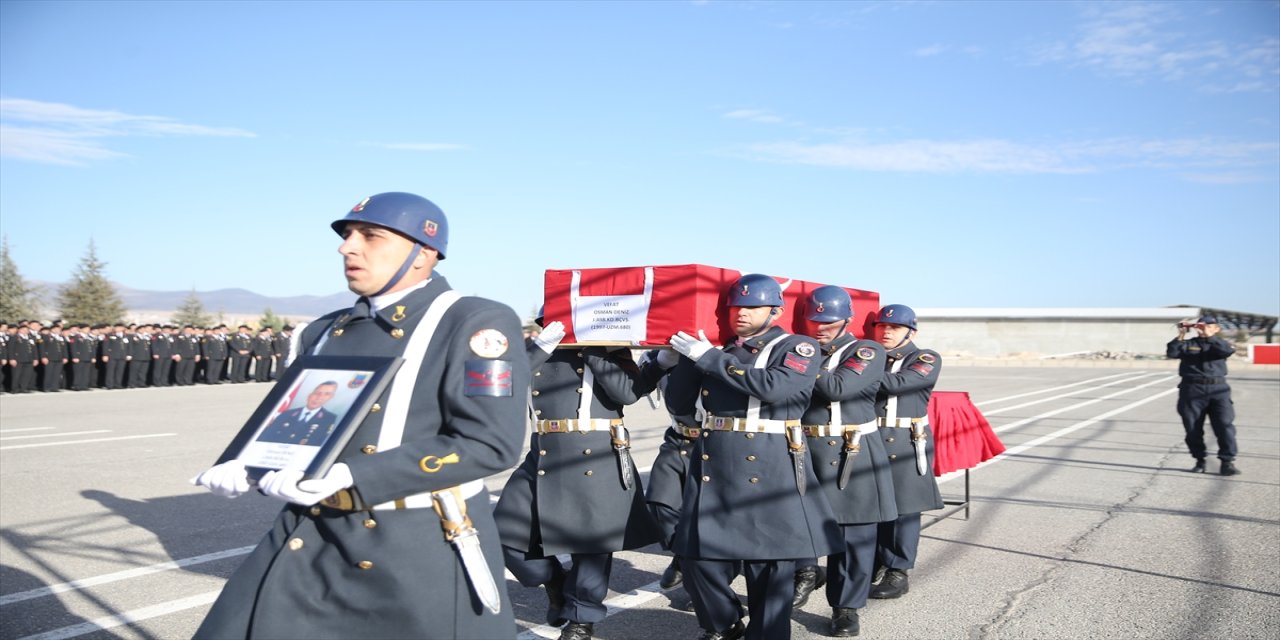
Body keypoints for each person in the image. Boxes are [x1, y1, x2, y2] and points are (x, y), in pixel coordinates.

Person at [190, 191, 530, 639]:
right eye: (348, 235)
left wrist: (354, 474)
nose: (347, 247)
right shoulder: (323, 330)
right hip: (309, 531)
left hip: (411, 544)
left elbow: (488, 445)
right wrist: (251, 462)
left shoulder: (472, 321)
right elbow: (297, 421)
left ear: (423, 254)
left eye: (370, 236)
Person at [663, 273, 841, 640]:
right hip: (715, 462)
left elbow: (773, 387)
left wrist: (708, 358)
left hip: (769, 462)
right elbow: (680, 404)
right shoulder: (719, 351)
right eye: (735, 307)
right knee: (697, 560)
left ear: (775, 311)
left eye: (752, 307)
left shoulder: (798, 346)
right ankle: (725, 624)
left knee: (769, 567)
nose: (740, 313)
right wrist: (680, 361)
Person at [494, 309, 662, 640]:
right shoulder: (533, 350)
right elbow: (500, 384)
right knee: (502, 532)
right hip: (543, 452)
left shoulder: (608, 350)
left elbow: (627, 393)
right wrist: (540, 348)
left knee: (591, 546)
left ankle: (581, 619)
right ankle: (554, 579)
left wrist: (593, 348)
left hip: (594, 453)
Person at [789, 286, 896, 636]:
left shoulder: (867, 350)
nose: (820, 327)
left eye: (829, 322)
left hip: (850, 449)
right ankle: (805, 572)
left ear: (847, 320)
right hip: (805, 446)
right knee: (798, 522)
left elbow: (837, 387)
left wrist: (801, 360)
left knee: (853, 534)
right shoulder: (799, 348)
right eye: (814, 320)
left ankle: (846, 607)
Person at [869, 304, 944, 600]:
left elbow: (901, 383)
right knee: (873, 504)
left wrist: (857, 374)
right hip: (872, 437)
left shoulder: (925, 358)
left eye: (895, 328)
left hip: (906, 439)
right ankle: (875, 561)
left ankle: (898, 570)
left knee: (905, 509)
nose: (886, 332)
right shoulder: (872, 358)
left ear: (910, 332)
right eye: (882, 326)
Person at [1167, 316, 1240, 476]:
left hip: (1218, 389)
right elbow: (1172, 352)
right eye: (1202, 325)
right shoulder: (1188, 344)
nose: (1204, 328)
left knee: (1224, 425)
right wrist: (1181, 334)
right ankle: (1200, 460)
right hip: (1192, 389)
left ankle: (1227, 462)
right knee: (1192, 427)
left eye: (1208, 325)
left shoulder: (1219, 344)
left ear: (1216, 329)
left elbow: (1227, 351)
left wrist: (1210, 337)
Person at [256, 380, 341, 444]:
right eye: (317, 393)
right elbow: (266, 436)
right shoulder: (287, 414)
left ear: (331, 397)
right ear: (309, 395)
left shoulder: (330, 419)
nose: (319, 397)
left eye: (326, 394)